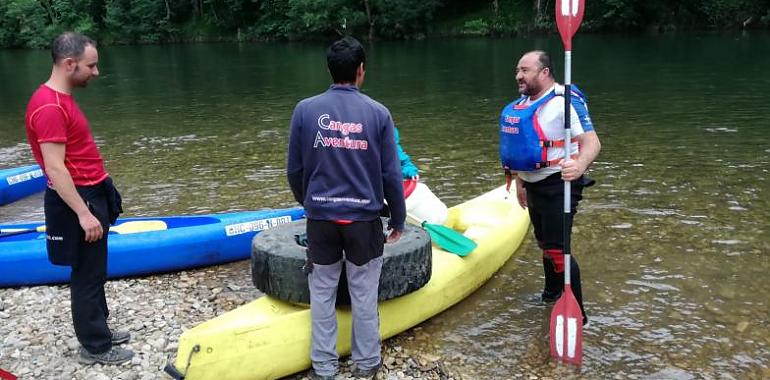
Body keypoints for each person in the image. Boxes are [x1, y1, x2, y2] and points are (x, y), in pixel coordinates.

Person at [287, 36, 406, 380]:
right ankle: (366, 364)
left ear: (328, 69)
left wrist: (308, 201)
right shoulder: (378, 113)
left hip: (321, 220)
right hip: (363, 223)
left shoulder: (305, 110)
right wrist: (397, 218)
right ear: (361, 71)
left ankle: (324, 368)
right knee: (364, 295)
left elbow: (294, 170)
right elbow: (390, 174)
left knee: (322, 293)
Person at [24, 32, 134, 365]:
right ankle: (95, 347)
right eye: (91, 65)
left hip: (89, 192)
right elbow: (56, 170)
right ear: (69, 64)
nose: (96, 72)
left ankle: (99, 328)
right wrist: (84, 215)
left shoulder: (61, 100)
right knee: (86, 275)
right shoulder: (49, 107)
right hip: (77, 199)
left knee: (95, 269)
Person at [499, 50, 601, 325]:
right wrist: (520, 180)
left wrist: (579, 166)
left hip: (561, 184)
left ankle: (578, 317)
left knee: (559, 250)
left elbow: (592, 143)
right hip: (533, 185)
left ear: (544, 72)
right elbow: (525, 148)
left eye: (525, 70)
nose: (519, 76)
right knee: (545, 246)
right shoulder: (522, 104)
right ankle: (551, 295)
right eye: (517, 70)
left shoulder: (565, 101)